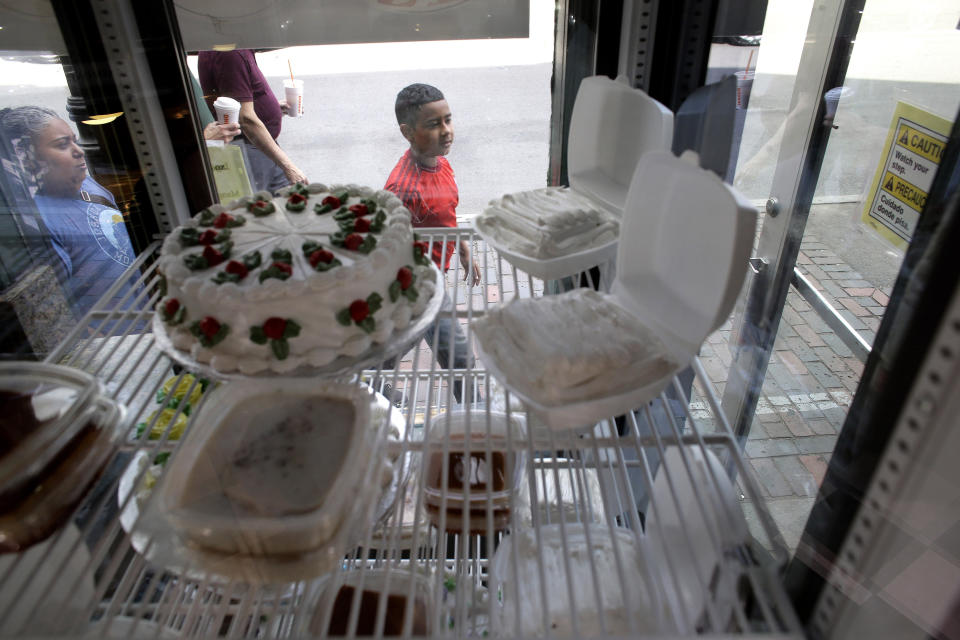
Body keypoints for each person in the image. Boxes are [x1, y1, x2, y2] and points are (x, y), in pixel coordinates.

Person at [383, 83, 481, 404]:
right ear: (407, 132)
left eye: (448, 120)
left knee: (386, 357)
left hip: (429, 282)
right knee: (460, 359)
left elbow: (446, 211)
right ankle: (479, 418)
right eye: (434, 124)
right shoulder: (402, 189)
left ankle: (371, 385)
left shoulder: (440, 161)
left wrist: (463, 250)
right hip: (414, 290)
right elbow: (384, 247)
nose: (447, 131)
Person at [0, 106, 137, 318]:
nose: (79, 151)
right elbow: (60, 312)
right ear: (25, 159)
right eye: (63, 145)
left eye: (74, 140)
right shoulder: (39, 223)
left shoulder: (87, 184)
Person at [198, 49, 307, 193]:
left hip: (259, 148)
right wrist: (289, 167)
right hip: (252, 149)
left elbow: (239, 99)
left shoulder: (232, 50)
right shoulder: (231, 54)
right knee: (269, 206)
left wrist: (271, 108)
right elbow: (245, 119)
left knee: (281, 205)